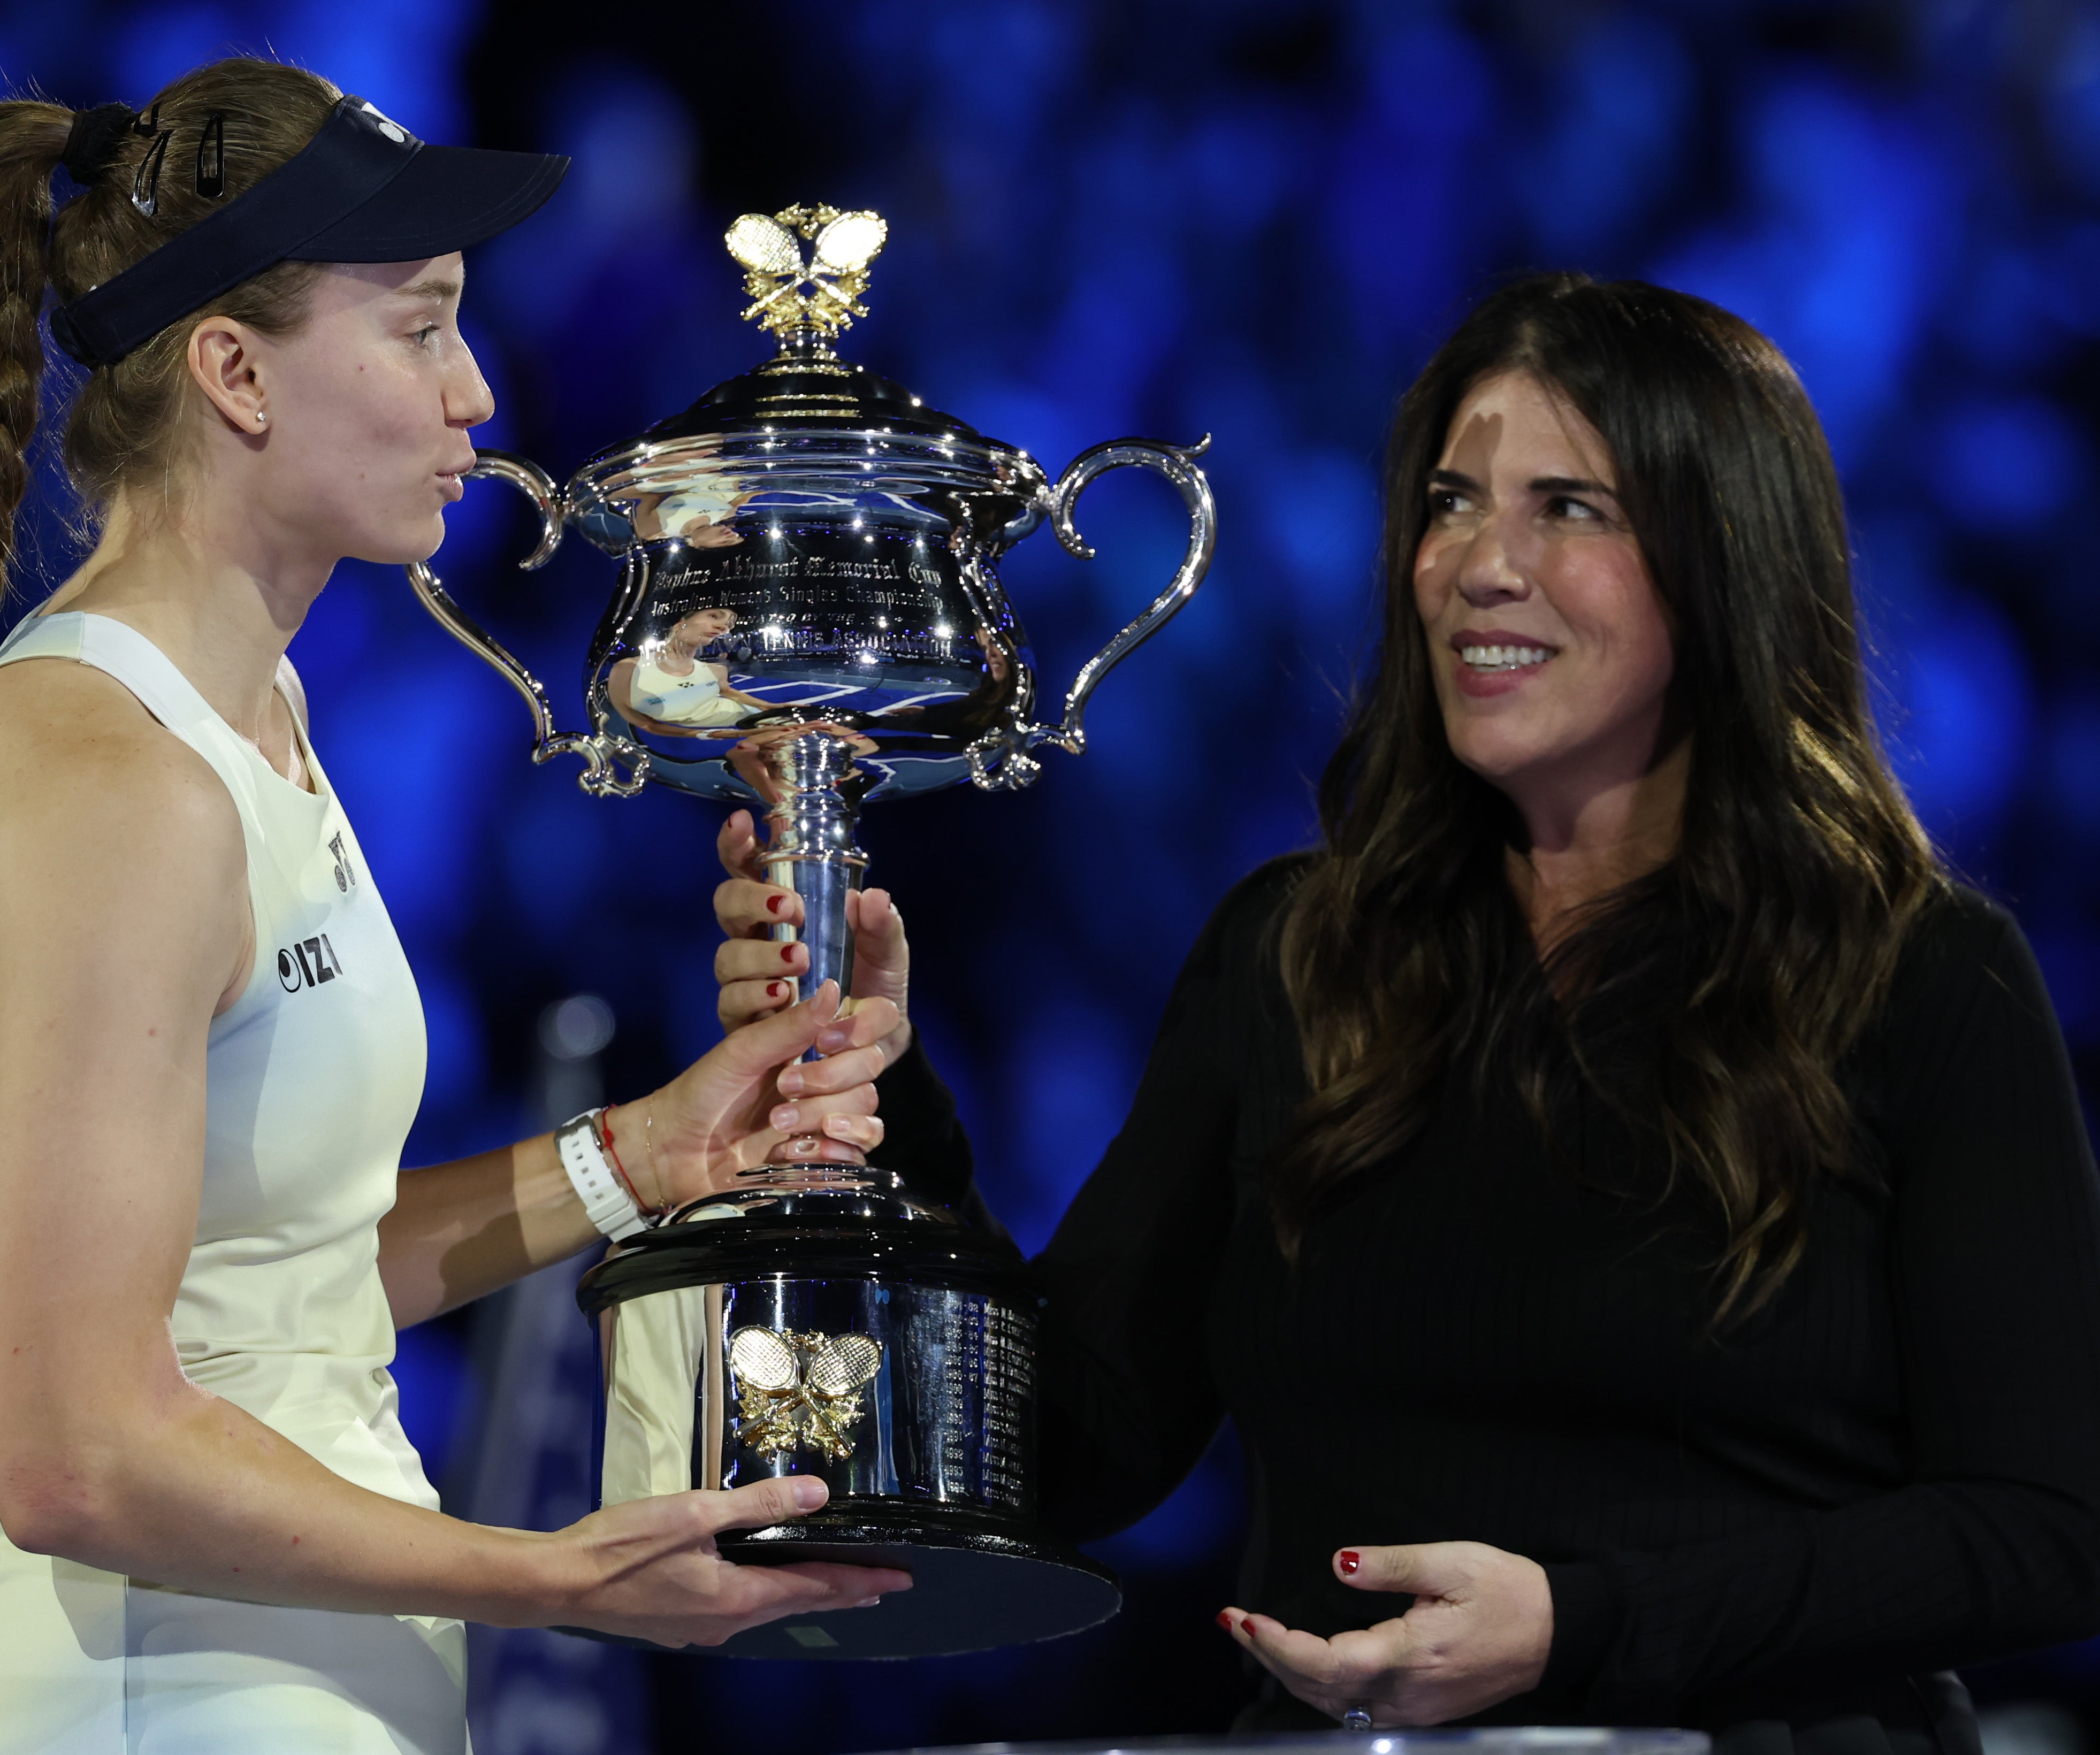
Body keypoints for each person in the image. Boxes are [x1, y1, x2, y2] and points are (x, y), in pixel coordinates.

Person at [707, 273, 2100, 1752]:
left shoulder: (1919, 977)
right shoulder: (1295, 956)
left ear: (1724, 562)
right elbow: (1070, 1449)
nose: (1477, 566)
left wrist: (1585, 1628)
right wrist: (880, 1103)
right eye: (1449, 503)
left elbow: (2047, 1529)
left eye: (1570, 507)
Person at [0, 59, 906, 1755]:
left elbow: (271, 1284)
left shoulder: (246, 722)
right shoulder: (105, 774)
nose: (475, 395)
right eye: (418, 328)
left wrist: (636, 1159)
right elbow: (71, 1449)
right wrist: (548, 1576)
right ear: (235, 372)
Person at [608, 605, 777, 735]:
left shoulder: (717, 670)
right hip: (724, 738)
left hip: (752, 724)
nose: (723, 627)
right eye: (714, 616)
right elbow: (646, 725)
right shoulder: (629, 669)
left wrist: (770, 707)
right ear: (680, 624)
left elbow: (727, 691)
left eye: (728, 625)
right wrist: (707, 736)